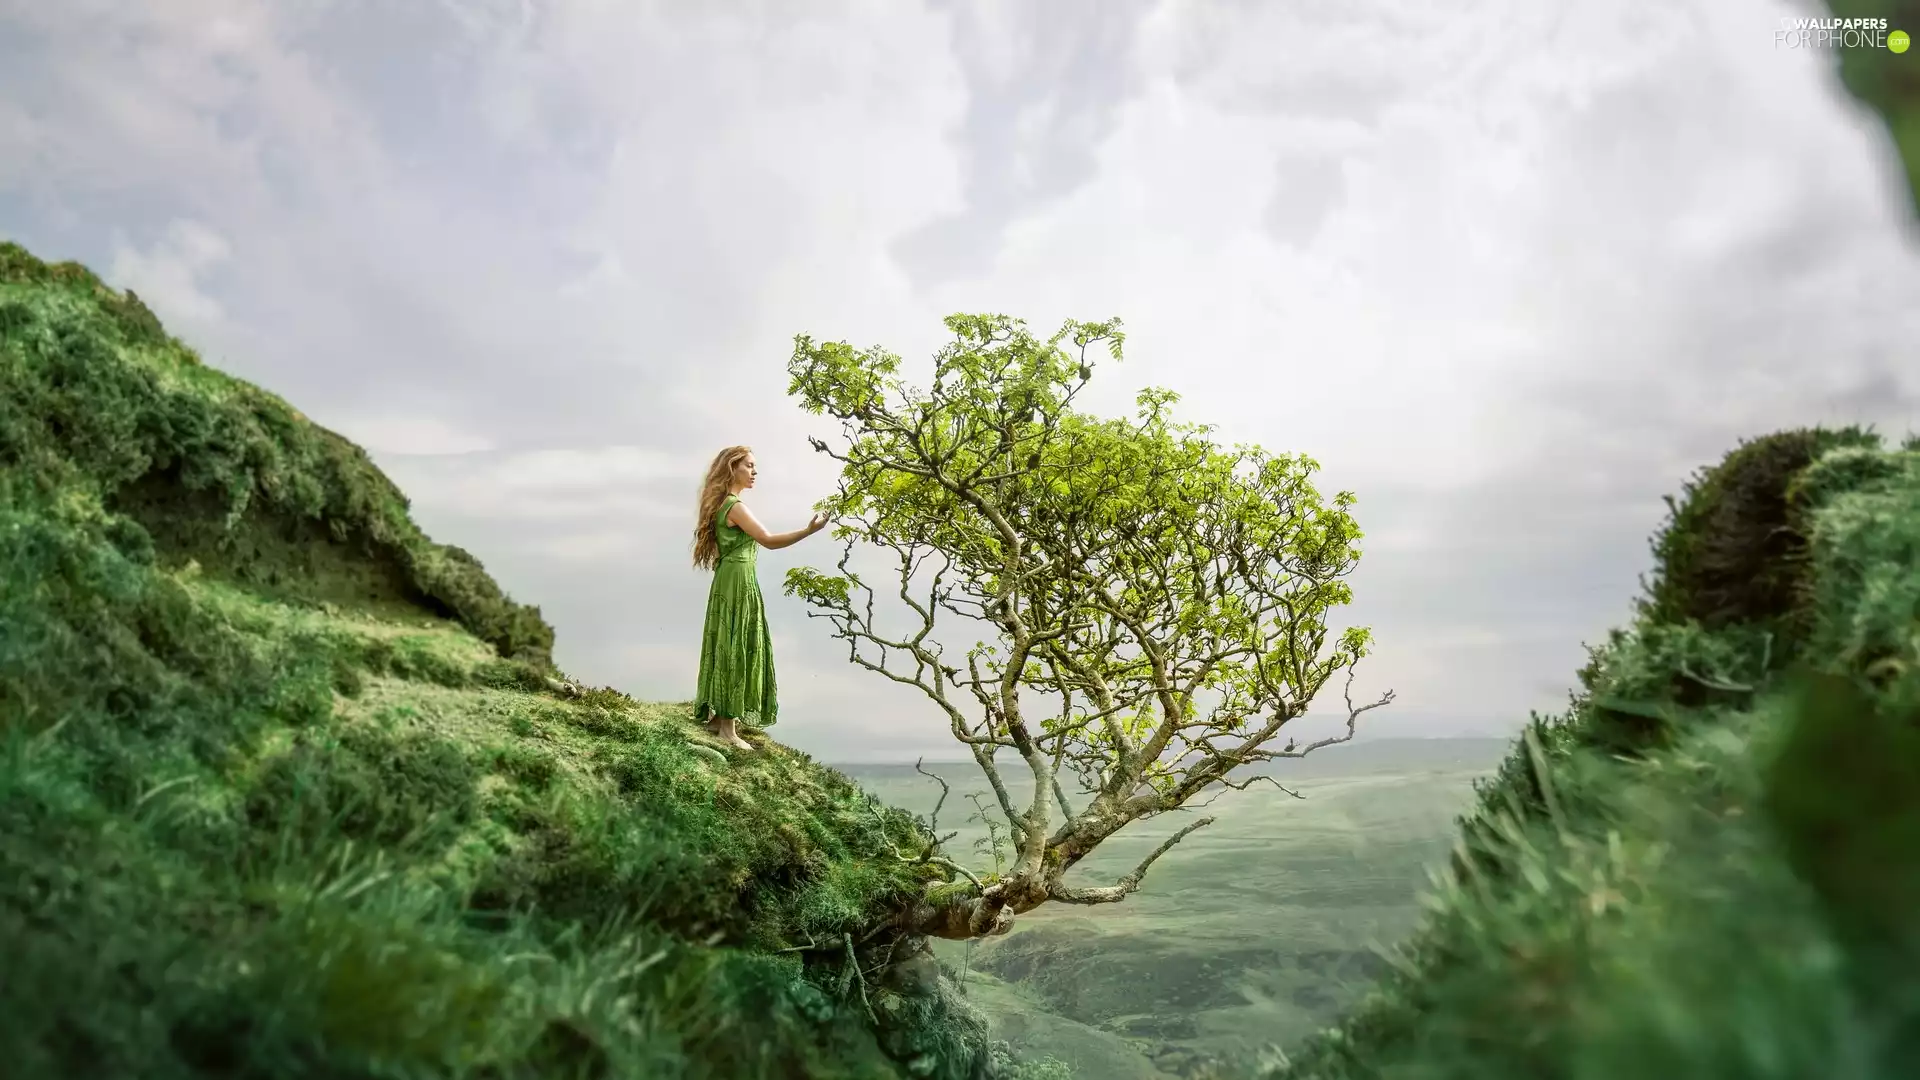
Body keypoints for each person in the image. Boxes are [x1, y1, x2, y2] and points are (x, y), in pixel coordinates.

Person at [690, 445, 828, 750]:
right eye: (749, 466)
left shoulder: (722, 504)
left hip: (729, 578)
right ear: (732, 468)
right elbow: (768, 540)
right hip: (738, 580)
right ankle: (728, 730)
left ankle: (718, 719)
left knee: (727, 640)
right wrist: (808, 531)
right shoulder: (735, 506)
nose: (754, 472)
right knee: (737, 643)